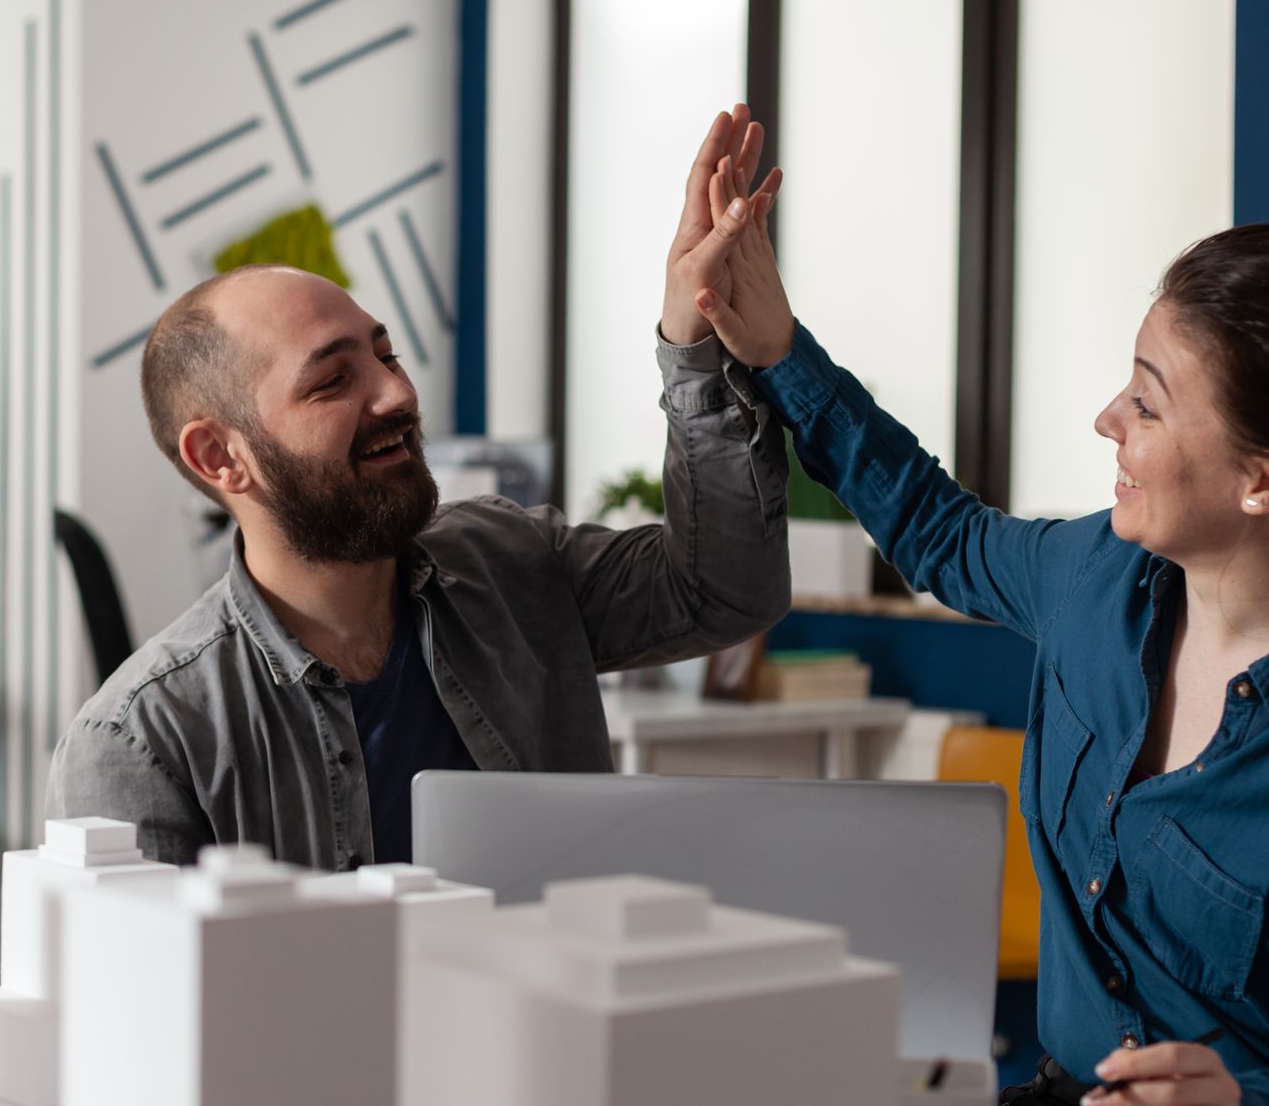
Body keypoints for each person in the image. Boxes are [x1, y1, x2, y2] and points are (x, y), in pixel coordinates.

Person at [690, 141, 1269, 1106]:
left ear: (1267, 479)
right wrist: (777, 348)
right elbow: (939, 531)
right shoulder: (1096, 575)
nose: (1107, 421)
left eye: (1149, 401)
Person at [45, 109, 790, 871]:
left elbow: (727, 593)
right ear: (221, 457)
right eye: (334, 380)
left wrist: (694, 341)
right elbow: (146, 989)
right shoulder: (141, 743)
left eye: (387, 356)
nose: (397, 395)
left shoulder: (514, 563)